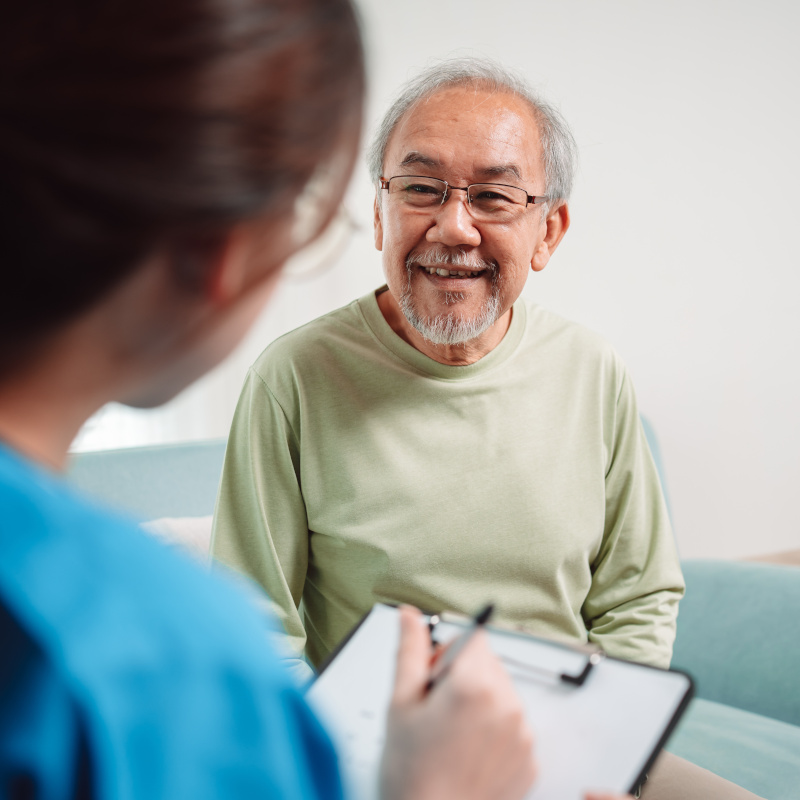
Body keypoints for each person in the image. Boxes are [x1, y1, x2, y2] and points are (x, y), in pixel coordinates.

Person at [0, 5, 560, 797]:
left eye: (492, 197)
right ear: (223, 251)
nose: (453, 228)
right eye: (308, 215)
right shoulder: (163, 664)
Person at [211, 58, 763, 799]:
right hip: (390, 762)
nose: (453, 226)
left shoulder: (592, 370)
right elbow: (254, 627)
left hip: (574, 748)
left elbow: (637, 597)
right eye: (420, 188)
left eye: (494, 197)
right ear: (378, 213)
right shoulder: (295, 378)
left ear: (547, 231)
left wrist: (603, 749)